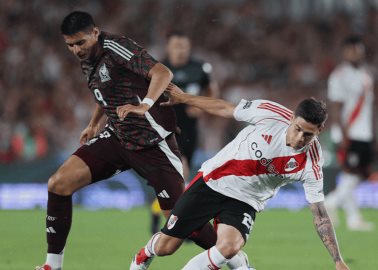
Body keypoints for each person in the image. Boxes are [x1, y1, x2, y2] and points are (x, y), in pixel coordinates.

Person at [36, 11, 248, 270]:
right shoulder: (88, 58)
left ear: (95, 32)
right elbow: (106, 92)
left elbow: (163, 73)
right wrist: (94, 124)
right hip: (117, 137)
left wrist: (145, 105)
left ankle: (234, 258)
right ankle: (52, 266)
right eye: (70, 45)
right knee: (58, 183)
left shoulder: (117, 47)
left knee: (181, 223)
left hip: (153, 143)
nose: (76, 50)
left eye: (80, 42)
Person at [130, 84, 350, 270]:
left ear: (320, 130)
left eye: (308, 134)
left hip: (246, 201)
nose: (300, 138)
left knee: (228, 247)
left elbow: (320, 215)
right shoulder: (270, 113)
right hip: (213, 181)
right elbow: (226, 108)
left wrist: (338, 260)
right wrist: (186, 98)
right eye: (298, 129)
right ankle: (144, 254)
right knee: (165, 248)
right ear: (292, 118)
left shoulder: (312, 162)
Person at [150, 31, 217, 235]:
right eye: (177, 46)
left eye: (184, 46)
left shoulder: (199, 68)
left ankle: (160, 215)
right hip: (166, 129)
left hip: (190, 130)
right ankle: (182, 226)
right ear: (168, 48)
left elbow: (211, 89)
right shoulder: (158, 69)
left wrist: (202, 106)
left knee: (178, 178)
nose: (181, 51)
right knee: (180, 174)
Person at [325, 35, 376, 231]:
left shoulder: (366, 75)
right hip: (349, 133)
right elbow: (336, 107)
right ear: (345, 51)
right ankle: (331, 202)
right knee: (353, 174)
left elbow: (370, 108)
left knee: (357, 174)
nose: (356, 53)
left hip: (364, 134)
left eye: (359, 49)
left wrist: (372, 134)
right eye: (352, 49)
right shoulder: (339, 75)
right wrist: (344, 135)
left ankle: (354, 219)